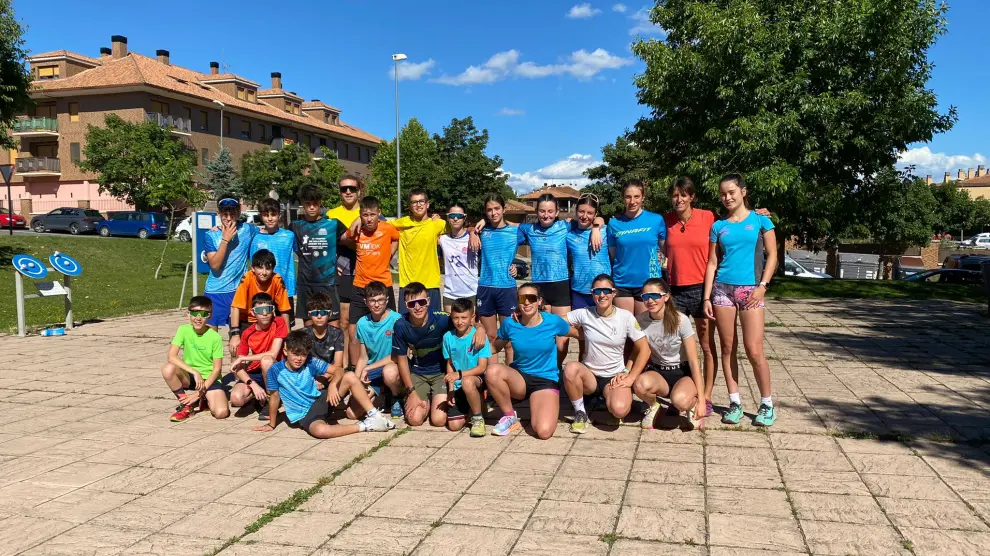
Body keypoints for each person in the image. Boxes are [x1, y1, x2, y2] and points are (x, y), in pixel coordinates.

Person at [662, 176, 771, 417]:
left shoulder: (709, 217)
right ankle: (684, 393)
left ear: (692, 197)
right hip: (681, 290)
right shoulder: (667, 221)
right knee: (679, 345)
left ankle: (709, 396)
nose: (678, 199)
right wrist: (597, 221)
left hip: (706, 287)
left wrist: (760, 214)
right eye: (674, 195)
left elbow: (760, 246)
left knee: (710, 346)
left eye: (683, 194)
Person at [703, 173, 778, 427]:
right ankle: (734, 402)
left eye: (732, 192)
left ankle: (766, 404)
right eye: (723, 193)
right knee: (727, 348)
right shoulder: (718, 226)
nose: (727, 197)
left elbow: (773, 256)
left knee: (754, 350)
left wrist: (763, 287)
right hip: (722, 290)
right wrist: (706, 296)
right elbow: (712, 263)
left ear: (743, 192)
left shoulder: (761, 221)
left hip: (751, 290)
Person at [253, 330, 393, 438]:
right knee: (320, 431)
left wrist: (332, 385)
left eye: (303, 354)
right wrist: (272, 424)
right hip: (303, 414)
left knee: (349, 375)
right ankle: (366, 426)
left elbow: (338, 370)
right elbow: (274, 397)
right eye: (295, 354)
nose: (299, 358)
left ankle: (374, 414)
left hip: (322, 400)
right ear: (285, 351)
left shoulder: (311, 362)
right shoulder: (275, 370)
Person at [386, 282, 487, 428]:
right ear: (406, 304)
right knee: (414, 420)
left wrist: (481, 328)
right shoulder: (401, 324)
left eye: (421, 302)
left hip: (440, 373)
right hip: (418, 372)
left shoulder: (442, 319)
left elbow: (465, 321)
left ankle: (453, 404)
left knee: (439, 420)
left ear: (428, 301)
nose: (417, 307)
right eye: (412, 303)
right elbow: (401, 360)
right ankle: (415, 400)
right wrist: (412, 392)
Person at [517, 193, 601, 364]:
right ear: (536, 211)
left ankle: (557, 369)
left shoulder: (566, 226)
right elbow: (506, 230)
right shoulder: (528, 230)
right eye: (542, 211)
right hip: (539, 287)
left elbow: (594, 217)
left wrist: (596, 228)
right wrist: (482, 224)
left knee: (562, 337)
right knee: (543, 334)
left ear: (557, 212)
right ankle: (544, 370)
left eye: (550, 211)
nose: (546, 215)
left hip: (561, 285)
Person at [562, 274, 649, 434]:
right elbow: (555, 321)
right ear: (592, 293)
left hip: (613, 377)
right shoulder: (584, 313)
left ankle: (609, 398)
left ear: (614, 293)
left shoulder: (625, 316)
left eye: (606, 291)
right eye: (597, 291)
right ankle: (580, 412)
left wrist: (630, 376)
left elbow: (644, 349)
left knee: (619, 410)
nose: (602, 295)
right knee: (570, 368)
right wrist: (525, 315)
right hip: (590, 376)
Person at [486, 283, 571, 439]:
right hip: (520, 379)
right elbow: (493, 347)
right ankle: (510, 416)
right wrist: (475, 333)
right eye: (522, 298)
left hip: (545, 380)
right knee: (492, 371)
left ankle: (539, 402)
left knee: (543, 432)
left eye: (531, 298)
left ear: (539, 301)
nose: (526, 303)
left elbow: (575, 332)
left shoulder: (553, 321)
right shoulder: (510, 323)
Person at [633, 278, 706, 430]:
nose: (650, 300)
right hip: (658, 372)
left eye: (655, 295)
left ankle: (691, 405)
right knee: (639, 384)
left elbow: (693, 360)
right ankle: (655, 407)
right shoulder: (640, 320)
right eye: (645, 296)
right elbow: (637, 352)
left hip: (682, 372)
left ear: (666, 297)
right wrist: (627, 373)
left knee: (680, 401)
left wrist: (702, 400)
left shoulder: (681, 320)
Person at [469, 194, 519, 362]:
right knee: (491, 337)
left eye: (497, 208)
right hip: (486, 287)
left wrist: (516, 267)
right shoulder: (481, 231)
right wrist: (472, 232)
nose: (493, 213)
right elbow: (468, 228)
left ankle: (511, 378)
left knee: (509, 339)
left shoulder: (515, 231)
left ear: (504, 209)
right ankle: (492, 380)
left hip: (507, 288)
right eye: (489, 210)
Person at [162, 296, 228, 422]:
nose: (198, 318)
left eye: (203, 314)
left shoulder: (215, 337)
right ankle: (187, 406)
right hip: (191, 376)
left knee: (221, 413)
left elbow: (217, 369)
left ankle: (202, 399)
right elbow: (171, 356)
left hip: (209, 378)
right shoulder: (183, 330)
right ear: (188, 314)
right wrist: (194, 372)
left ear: (209, 316)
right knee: (168, 368)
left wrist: (198, 393)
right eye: (194, 313)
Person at [348, 196, 399, 355]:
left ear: (379, 213)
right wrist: (356, 220)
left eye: (372, 214)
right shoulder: (356, 230)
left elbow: (396, 238)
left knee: (392, 327)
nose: (369, 219)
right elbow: (347, 239)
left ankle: (392, 362)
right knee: (353, 330)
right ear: (360, 215)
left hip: (383, 285)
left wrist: (389, 255)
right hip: (360, 286)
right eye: (365, 215)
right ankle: (354, 368)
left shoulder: (388, 228)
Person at [291, 184, 346, 328]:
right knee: (309, 330)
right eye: (307, 204)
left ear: (320, 203)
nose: (311, 207)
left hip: (327, 281)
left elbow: (351, 242)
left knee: (334, 328)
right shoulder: (295, 226)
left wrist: (341, 264)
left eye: (315, 204)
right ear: (302, 203)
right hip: (305, 283)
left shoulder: (332, 224)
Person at [607, 180, 666, 314]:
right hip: (622, 282)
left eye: (636, 197)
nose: (632, 201)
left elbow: (665, 249)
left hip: (649, 282)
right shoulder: (614, 224)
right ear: (623, 198)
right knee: (626, 329)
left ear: (643, 197)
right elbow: (614, 254)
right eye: (628, 197)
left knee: (644, 328)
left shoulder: (656, 220)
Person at [229, 292, 289, 419]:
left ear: (273, 310)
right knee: (236, 399)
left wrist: (244, 357)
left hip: (276, 369)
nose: (265, 313)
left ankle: (271, 399)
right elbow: (239, 368)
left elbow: (273, 354)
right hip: (256, 372)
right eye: (260, 310)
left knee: (267, 361)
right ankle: (257, 396)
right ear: (252, 312)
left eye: (268, 309)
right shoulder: (247, 333)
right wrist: (253, 385)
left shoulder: (279, 322)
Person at [204, 197, 259, 330]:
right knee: (209, 339)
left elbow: (265, 232)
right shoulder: (211, 235)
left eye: (232, 214)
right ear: (218, 214)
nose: (228, 218)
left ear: (239, 213)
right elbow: (215, 265)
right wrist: (225, 240)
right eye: (225, 215)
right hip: (215, 292)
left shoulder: (248, 230)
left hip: (239, 291)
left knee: (237, 339)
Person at [326, 175, 364, 367]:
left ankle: (359, 365)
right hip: (342, 272)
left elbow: (389, 238)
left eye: (352, 188)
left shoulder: (369, 213)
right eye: (343, 189)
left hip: (366, 273)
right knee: (344, 321)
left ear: (359, 191)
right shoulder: (331, 215)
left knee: (361, 324)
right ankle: (343, 366)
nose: (348, 192)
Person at [390, 188, 447, 312]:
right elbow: (379, 225)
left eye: (421, 201)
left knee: (433, 328)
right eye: (414, 202)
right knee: (406, 327)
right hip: (407, 285)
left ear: (427, 204)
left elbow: (461, 228)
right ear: (409, 206)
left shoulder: (437, 224)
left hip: (430, 285)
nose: (418, 204)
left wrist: (473, 232)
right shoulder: (400, 224)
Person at [353, 280, 402, 419]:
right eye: (372, 300)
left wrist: (367, 369)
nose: (376, 304)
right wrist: (356, 382)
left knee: (389, 373)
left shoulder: (396, 320)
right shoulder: (362, 323)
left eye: (380, 300)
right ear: (365, 302)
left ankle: (396, 396)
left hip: (393, 366)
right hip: (373, 371)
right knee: (352, 413)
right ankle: (382, 390)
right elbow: (363, 357)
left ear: (387, 300)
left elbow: (397, 356)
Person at [442, 298, 491, 436]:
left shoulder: (479, 336)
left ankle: (478, 418)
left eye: (464, 317)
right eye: (456, 318)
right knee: (453, 426)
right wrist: (451, 389)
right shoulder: (448, 337)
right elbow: (450, 364)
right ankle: (473, 405)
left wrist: (460, 374)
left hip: (476, 380)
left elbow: (482, 367)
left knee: (467, 382)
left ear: (472, 317)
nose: (460, 321)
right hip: (458, 383)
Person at [229, 249, 291, 356]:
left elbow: (284, 310)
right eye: (260, 267)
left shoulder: (277, 279)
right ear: (252, 268)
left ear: (273, 269)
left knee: (277, 351)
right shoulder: (247, 278)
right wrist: (235, 333)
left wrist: (288, 336)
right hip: (245, 319)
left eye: (268, 268)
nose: (264, 272)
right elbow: (235, 307)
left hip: (266, 318)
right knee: (236, 350)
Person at [252, 197, 297, 325]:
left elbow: (303, 253)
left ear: (279, 215)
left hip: (285, 288)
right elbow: (253, 264)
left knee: (285, 327)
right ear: (261, 216)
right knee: (264, 325)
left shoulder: (289, 236)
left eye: (273, 214)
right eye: (266, 215)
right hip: (263, 290)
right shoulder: (255, 238)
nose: (270, 218)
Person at [439, 202, 479, 311]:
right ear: (448, 218)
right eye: (452, 215)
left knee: (472, 327)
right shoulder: (442, 239)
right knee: (450, 325)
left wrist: (472, 232)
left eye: (459, 216)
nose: (456, 218)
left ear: (464, 218)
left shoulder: (475, 237)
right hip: (450, 293)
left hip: (471, 291)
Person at [302, 292, 345, 370]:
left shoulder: (337, 333)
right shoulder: (303, 334)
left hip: (331, 373)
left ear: (330, 314)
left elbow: (338, 365)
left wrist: (323, 378)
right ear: (309, 315)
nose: (319, 317)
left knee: (348, 376)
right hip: (309, 374)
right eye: (315, 313)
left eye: (323, 313)